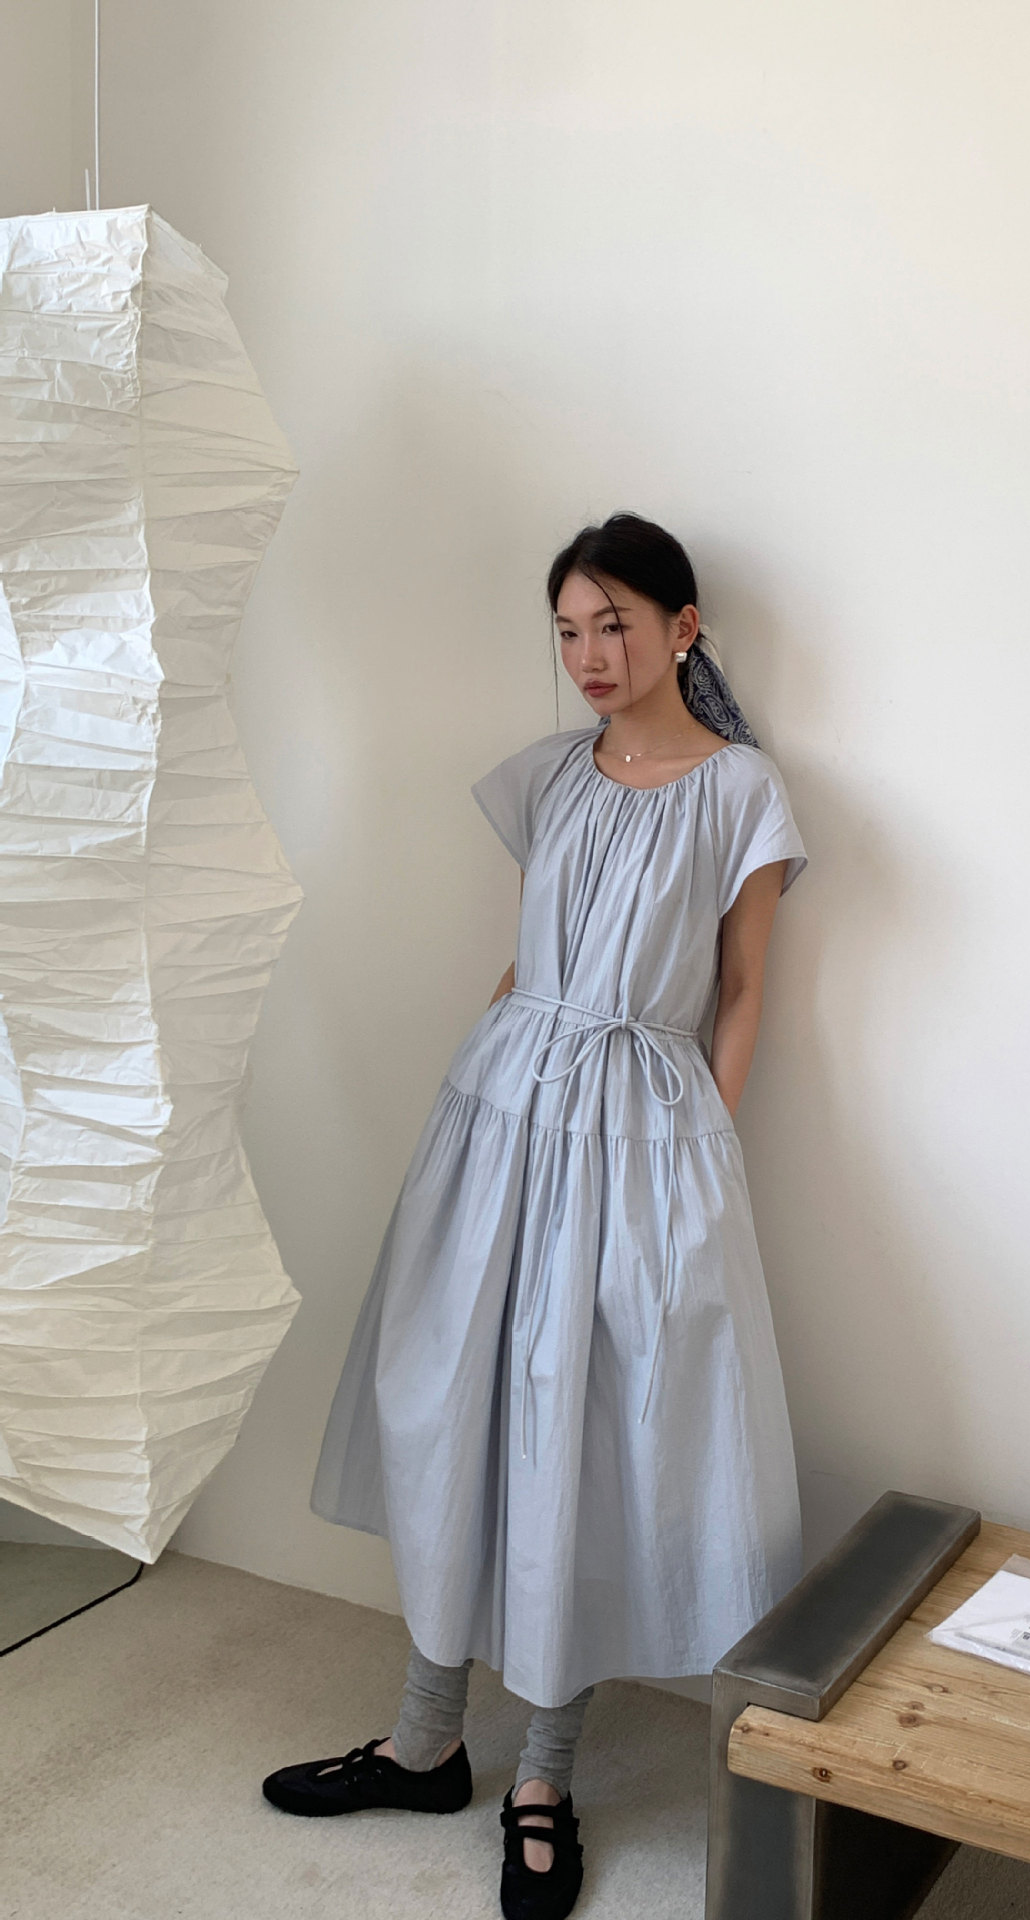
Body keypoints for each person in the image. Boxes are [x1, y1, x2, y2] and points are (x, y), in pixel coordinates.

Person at [261, 514, 807, 1920]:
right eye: (568, 630)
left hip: (642, 1141)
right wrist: (486, 1088)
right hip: (501, 1117)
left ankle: (544, 1779)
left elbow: (743, 990)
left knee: (584, 1438)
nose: (589, 655)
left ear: (684, 626)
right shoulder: (553, 775)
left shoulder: (744, 791)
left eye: (614, 623)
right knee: (459, 1413)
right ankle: (425, 1742)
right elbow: (531, 956)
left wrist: (700, 1149)